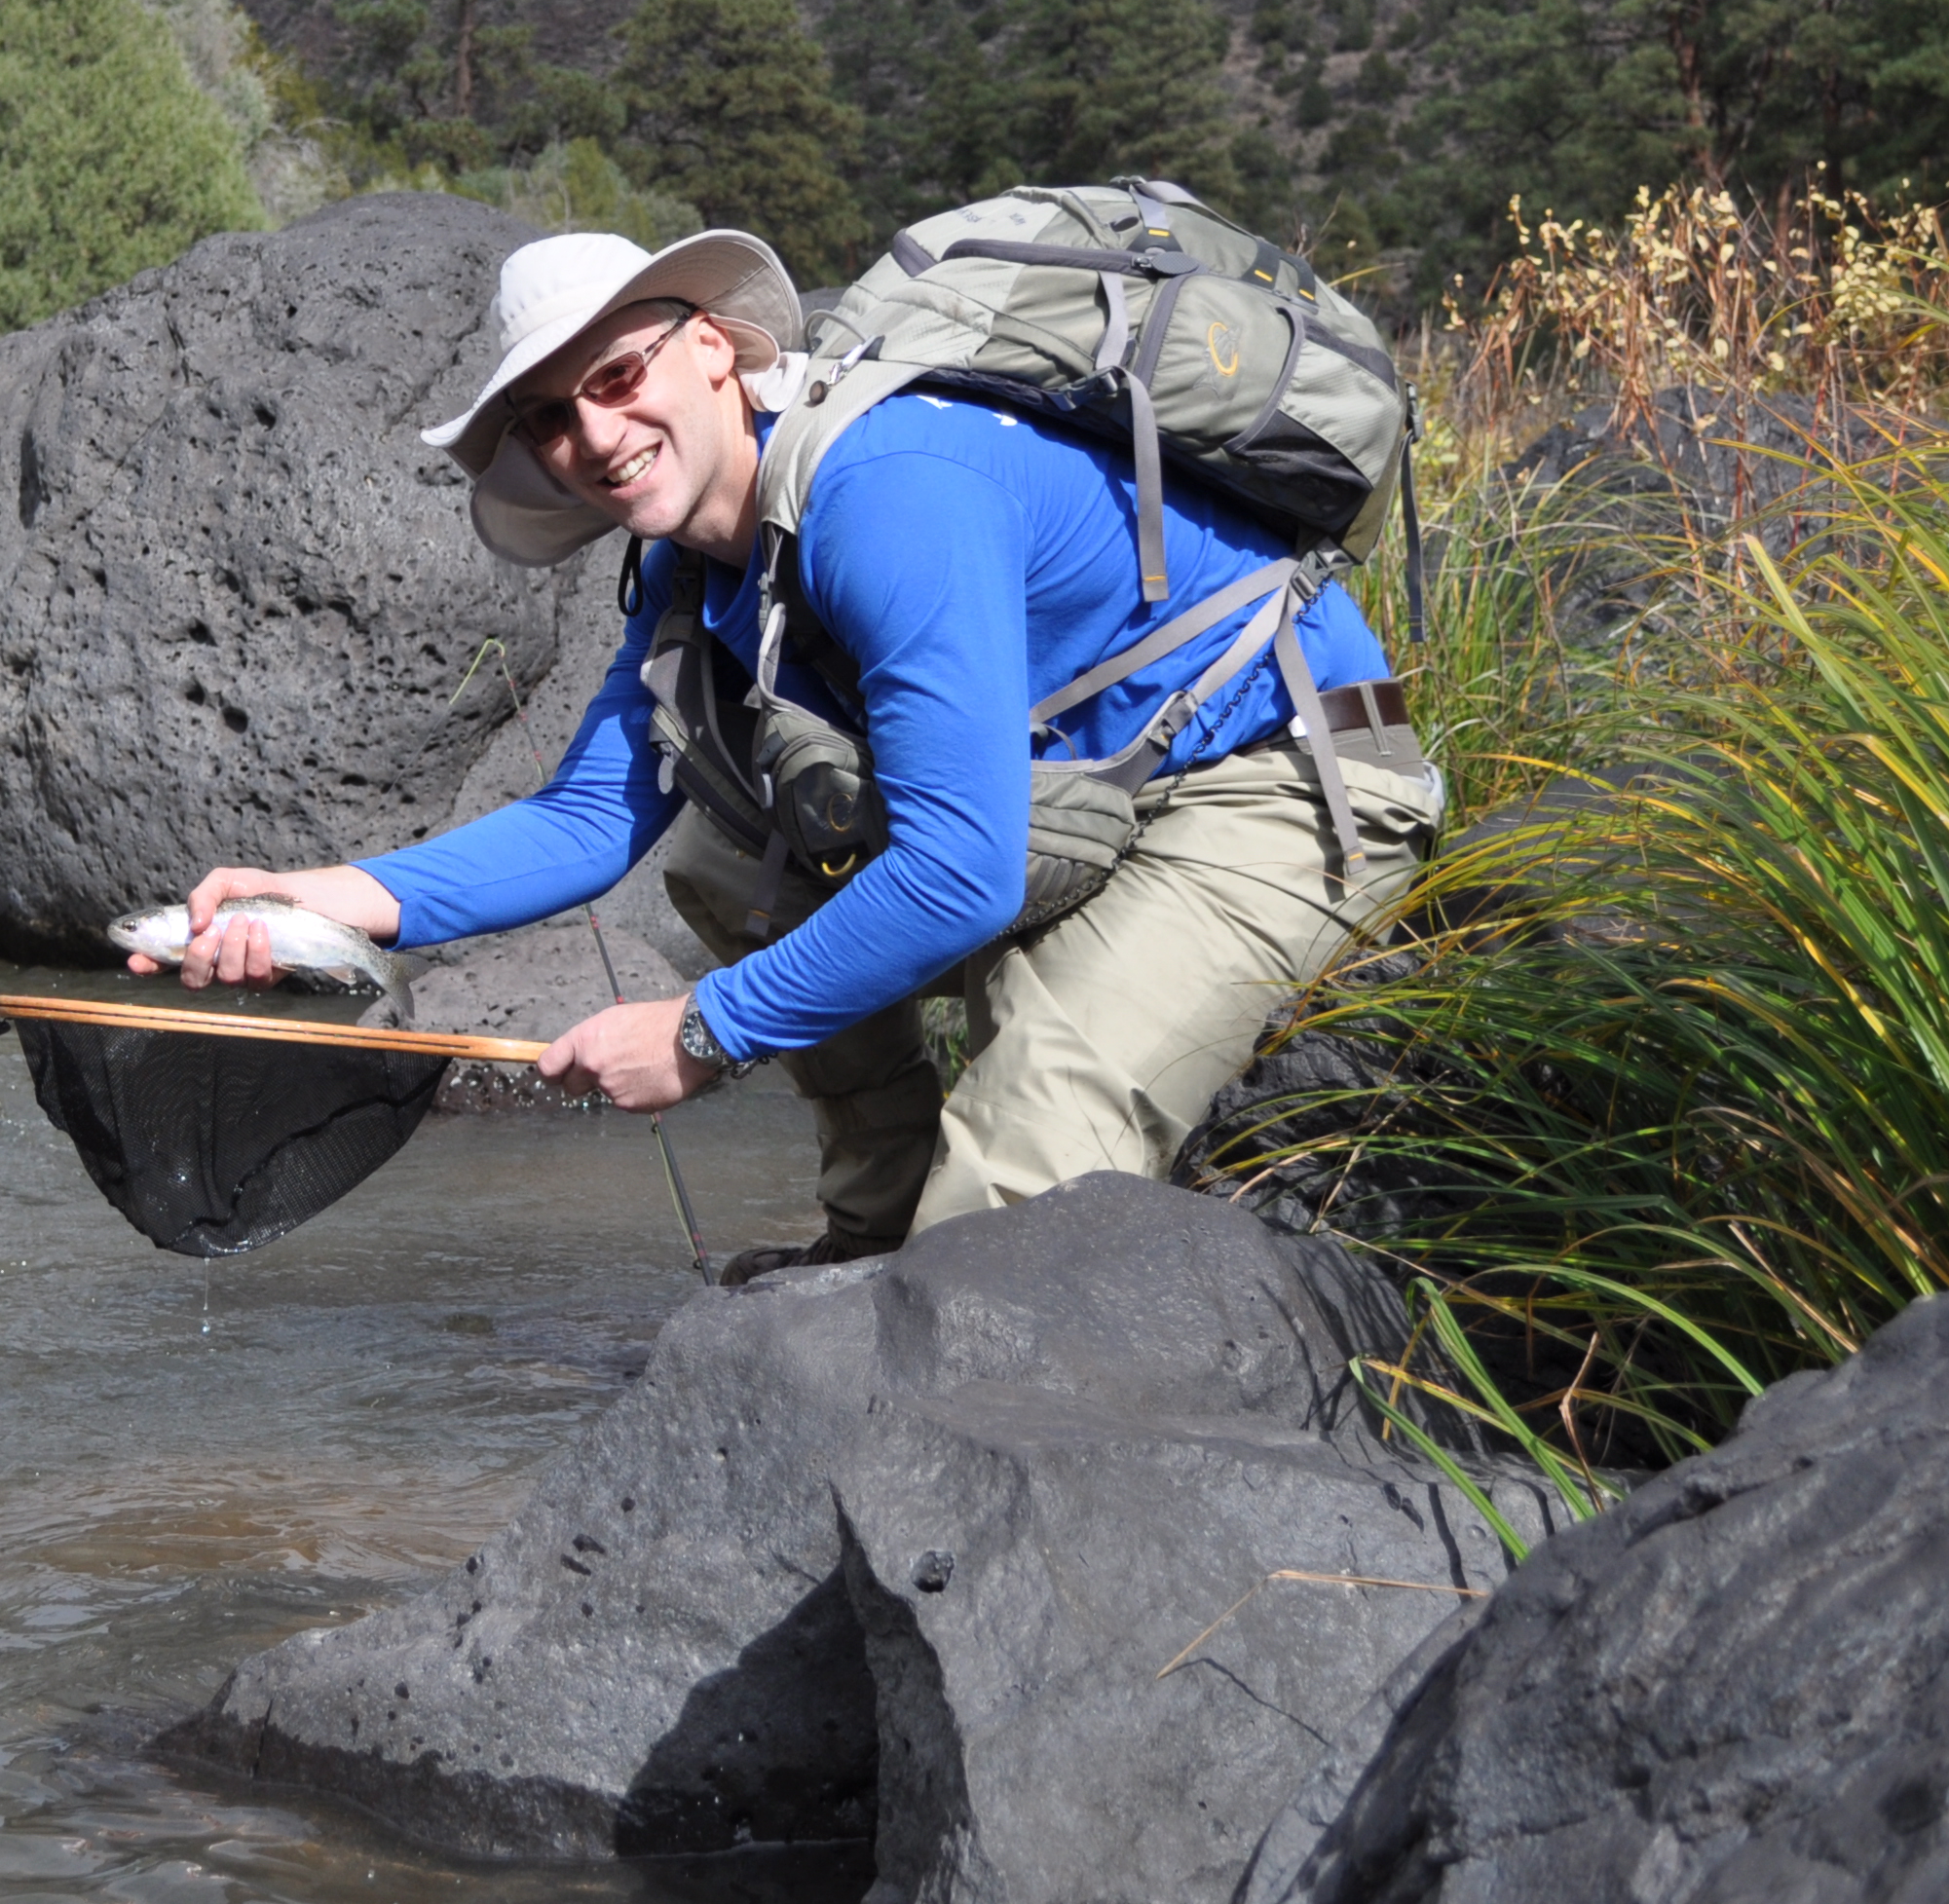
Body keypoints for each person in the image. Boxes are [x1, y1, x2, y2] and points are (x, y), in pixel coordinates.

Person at [139, 223, 1440, 1274]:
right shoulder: (686, 568)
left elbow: (961, 871)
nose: (590, 437)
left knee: (1011, 1174)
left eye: (614, 378)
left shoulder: (886, 490)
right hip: (1089, 791)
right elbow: (594, 822)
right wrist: (324, 903)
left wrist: (705, 1033)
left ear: (711, 349)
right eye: (545, 418)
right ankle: (868, 1245)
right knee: (727, 857)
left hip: (1272, 780)